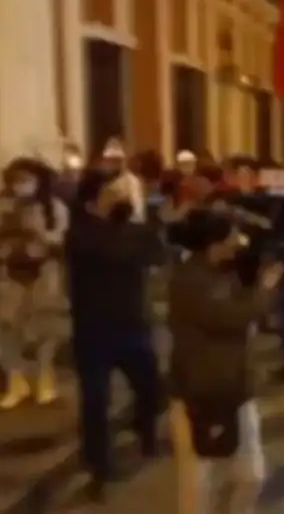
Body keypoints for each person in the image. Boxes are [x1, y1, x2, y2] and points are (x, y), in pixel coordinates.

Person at [167, 209, 283, 514]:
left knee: (252, 474)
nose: (238, 242)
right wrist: (265, 290)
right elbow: (232, 318)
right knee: (197, 481)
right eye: (233, 236)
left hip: (236, 384)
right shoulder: (189, 280)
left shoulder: (226, 271)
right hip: (198, 389)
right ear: (212, 243)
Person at [65, 169, 163, 500]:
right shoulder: (80, 233)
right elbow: (114, 253)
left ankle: (146, 429)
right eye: (113, 190)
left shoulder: (132, 229)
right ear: (95, 196)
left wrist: (129, 220)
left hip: (133, 325)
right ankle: (99, 468)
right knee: (95, 401)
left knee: (150, 387)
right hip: (94, 330)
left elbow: (155, 252)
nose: (121, 195)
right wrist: (121, 224)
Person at [0, 159, 69, 408]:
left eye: (26, 179)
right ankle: (15, 380)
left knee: (45, 328)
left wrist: (39, 233)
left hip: (44, 271)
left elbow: (61, 239)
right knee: (7, 328)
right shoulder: (5, 206)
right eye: (16, 180)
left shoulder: (54, 207)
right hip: (10, 273)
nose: (21, 186)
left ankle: (44, 379)